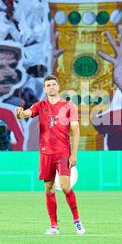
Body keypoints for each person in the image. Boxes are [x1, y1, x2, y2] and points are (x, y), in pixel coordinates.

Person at [15, 75, 85, 235]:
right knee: (49, 188)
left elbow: (75, 130)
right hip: (46, 153)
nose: (51, 87)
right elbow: (25, 114)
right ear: (45, 89)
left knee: (66, 186)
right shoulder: (40, 105)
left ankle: (77, 221)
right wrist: (19, 113)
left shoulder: (68, 106)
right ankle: (54, 226)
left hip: (63, 153)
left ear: (58, 87)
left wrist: (74, 154)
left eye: (54, 84)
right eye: (48, 85)